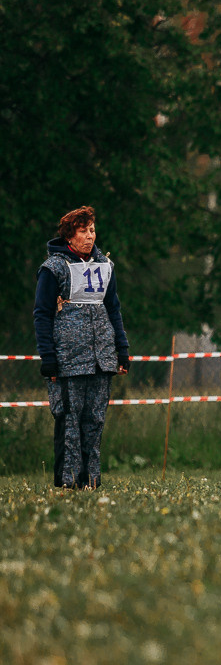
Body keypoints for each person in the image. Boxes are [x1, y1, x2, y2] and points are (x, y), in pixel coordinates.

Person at [33, 206, 130, 489]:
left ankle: (92, 482)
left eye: (92, 230)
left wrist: (121, 350)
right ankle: (68, 482)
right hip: (68, 360)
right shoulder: (53, 269)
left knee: (95, 421)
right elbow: (41, 314)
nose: (89, 236)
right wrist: (48, 357)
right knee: (69, 422)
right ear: (69, 235)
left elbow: (113, 309)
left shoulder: (105, 267)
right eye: (83, 231)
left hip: (101, 359)